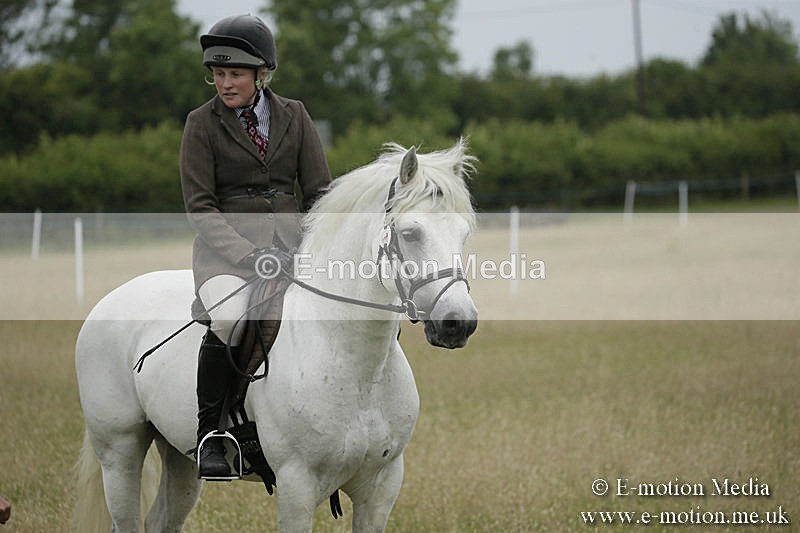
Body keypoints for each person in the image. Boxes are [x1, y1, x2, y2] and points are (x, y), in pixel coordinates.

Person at [180, 14, 331, 478]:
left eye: (235, 74)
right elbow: (201, 207)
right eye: (218, 74)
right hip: (228, 255)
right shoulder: (201, 124)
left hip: (292, 251)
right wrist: (250, 254)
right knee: (228, 318)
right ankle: (213, 434)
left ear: (262, 74)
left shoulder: (296, 115)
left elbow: (320, 191)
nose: (224, 84)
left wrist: (315, 249)